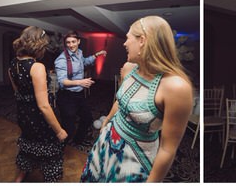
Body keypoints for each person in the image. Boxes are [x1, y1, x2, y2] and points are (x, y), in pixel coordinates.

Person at [81, 16, 193, 182]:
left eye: (128, 38)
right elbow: (121, 100)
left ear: (142, 41)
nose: (124, 44)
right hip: (106, 142)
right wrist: (106, 124)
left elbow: (168, 149)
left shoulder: (176, 87)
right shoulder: (128, 68)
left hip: (134, 157)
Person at [8, 27, 68, 183]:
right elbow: (43, 106)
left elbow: (18, 92)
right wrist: (59, 130)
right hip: (39, 117)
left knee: (28, 145)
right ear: (39, 45)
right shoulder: (37, 67)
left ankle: (20, 177)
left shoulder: (13, 63)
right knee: (51, 150)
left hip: (23, 113)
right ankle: (51, 178)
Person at [54, 30, 108, 145]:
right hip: (66, 96)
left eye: (73, 41)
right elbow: (62, 81)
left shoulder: (79, 53)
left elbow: (84, 62)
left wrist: (96, 55)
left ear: (78, 41)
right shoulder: (61, 60)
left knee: (87, 118)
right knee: (68, 126)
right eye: (68, 42)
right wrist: (80, 82)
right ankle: (59, 150)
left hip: (78, 95)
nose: (71, 45)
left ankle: (77, 141)